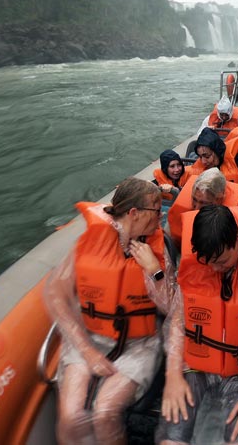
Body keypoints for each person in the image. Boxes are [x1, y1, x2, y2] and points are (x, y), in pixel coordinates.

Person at [44, 178, 175, 445]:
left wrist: (156, 272)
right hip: (89, 338)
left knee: (104, 412)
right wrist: (88, 351)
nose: (160, 217)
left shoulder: (158, 249)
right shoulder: (89, 242)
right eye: (156, 211)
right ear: (134, 214)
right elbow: (55, 294)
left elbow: (173, 307)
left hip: (139, 344)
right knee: (70, 416)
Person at [158, 204, 238, 445]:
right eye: (208, 263)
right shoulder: (195, 265)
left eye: (222, 261)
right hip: (197, 367)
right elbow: (177, 320)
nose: (215, 269)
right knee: (171, 439)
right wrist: (173, 375)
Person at [166, 168, 238, 246]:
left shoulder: (236, 219)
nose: (196, 208)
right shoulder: (180, 209)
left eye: (204, 203)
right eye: (194, 200)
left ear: (219, 199)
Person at [188, 127, 238, 202]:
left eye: (207, 156)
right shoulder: (200, 166)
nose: (203, 161)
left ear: (217, 151)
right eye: (200, 157)